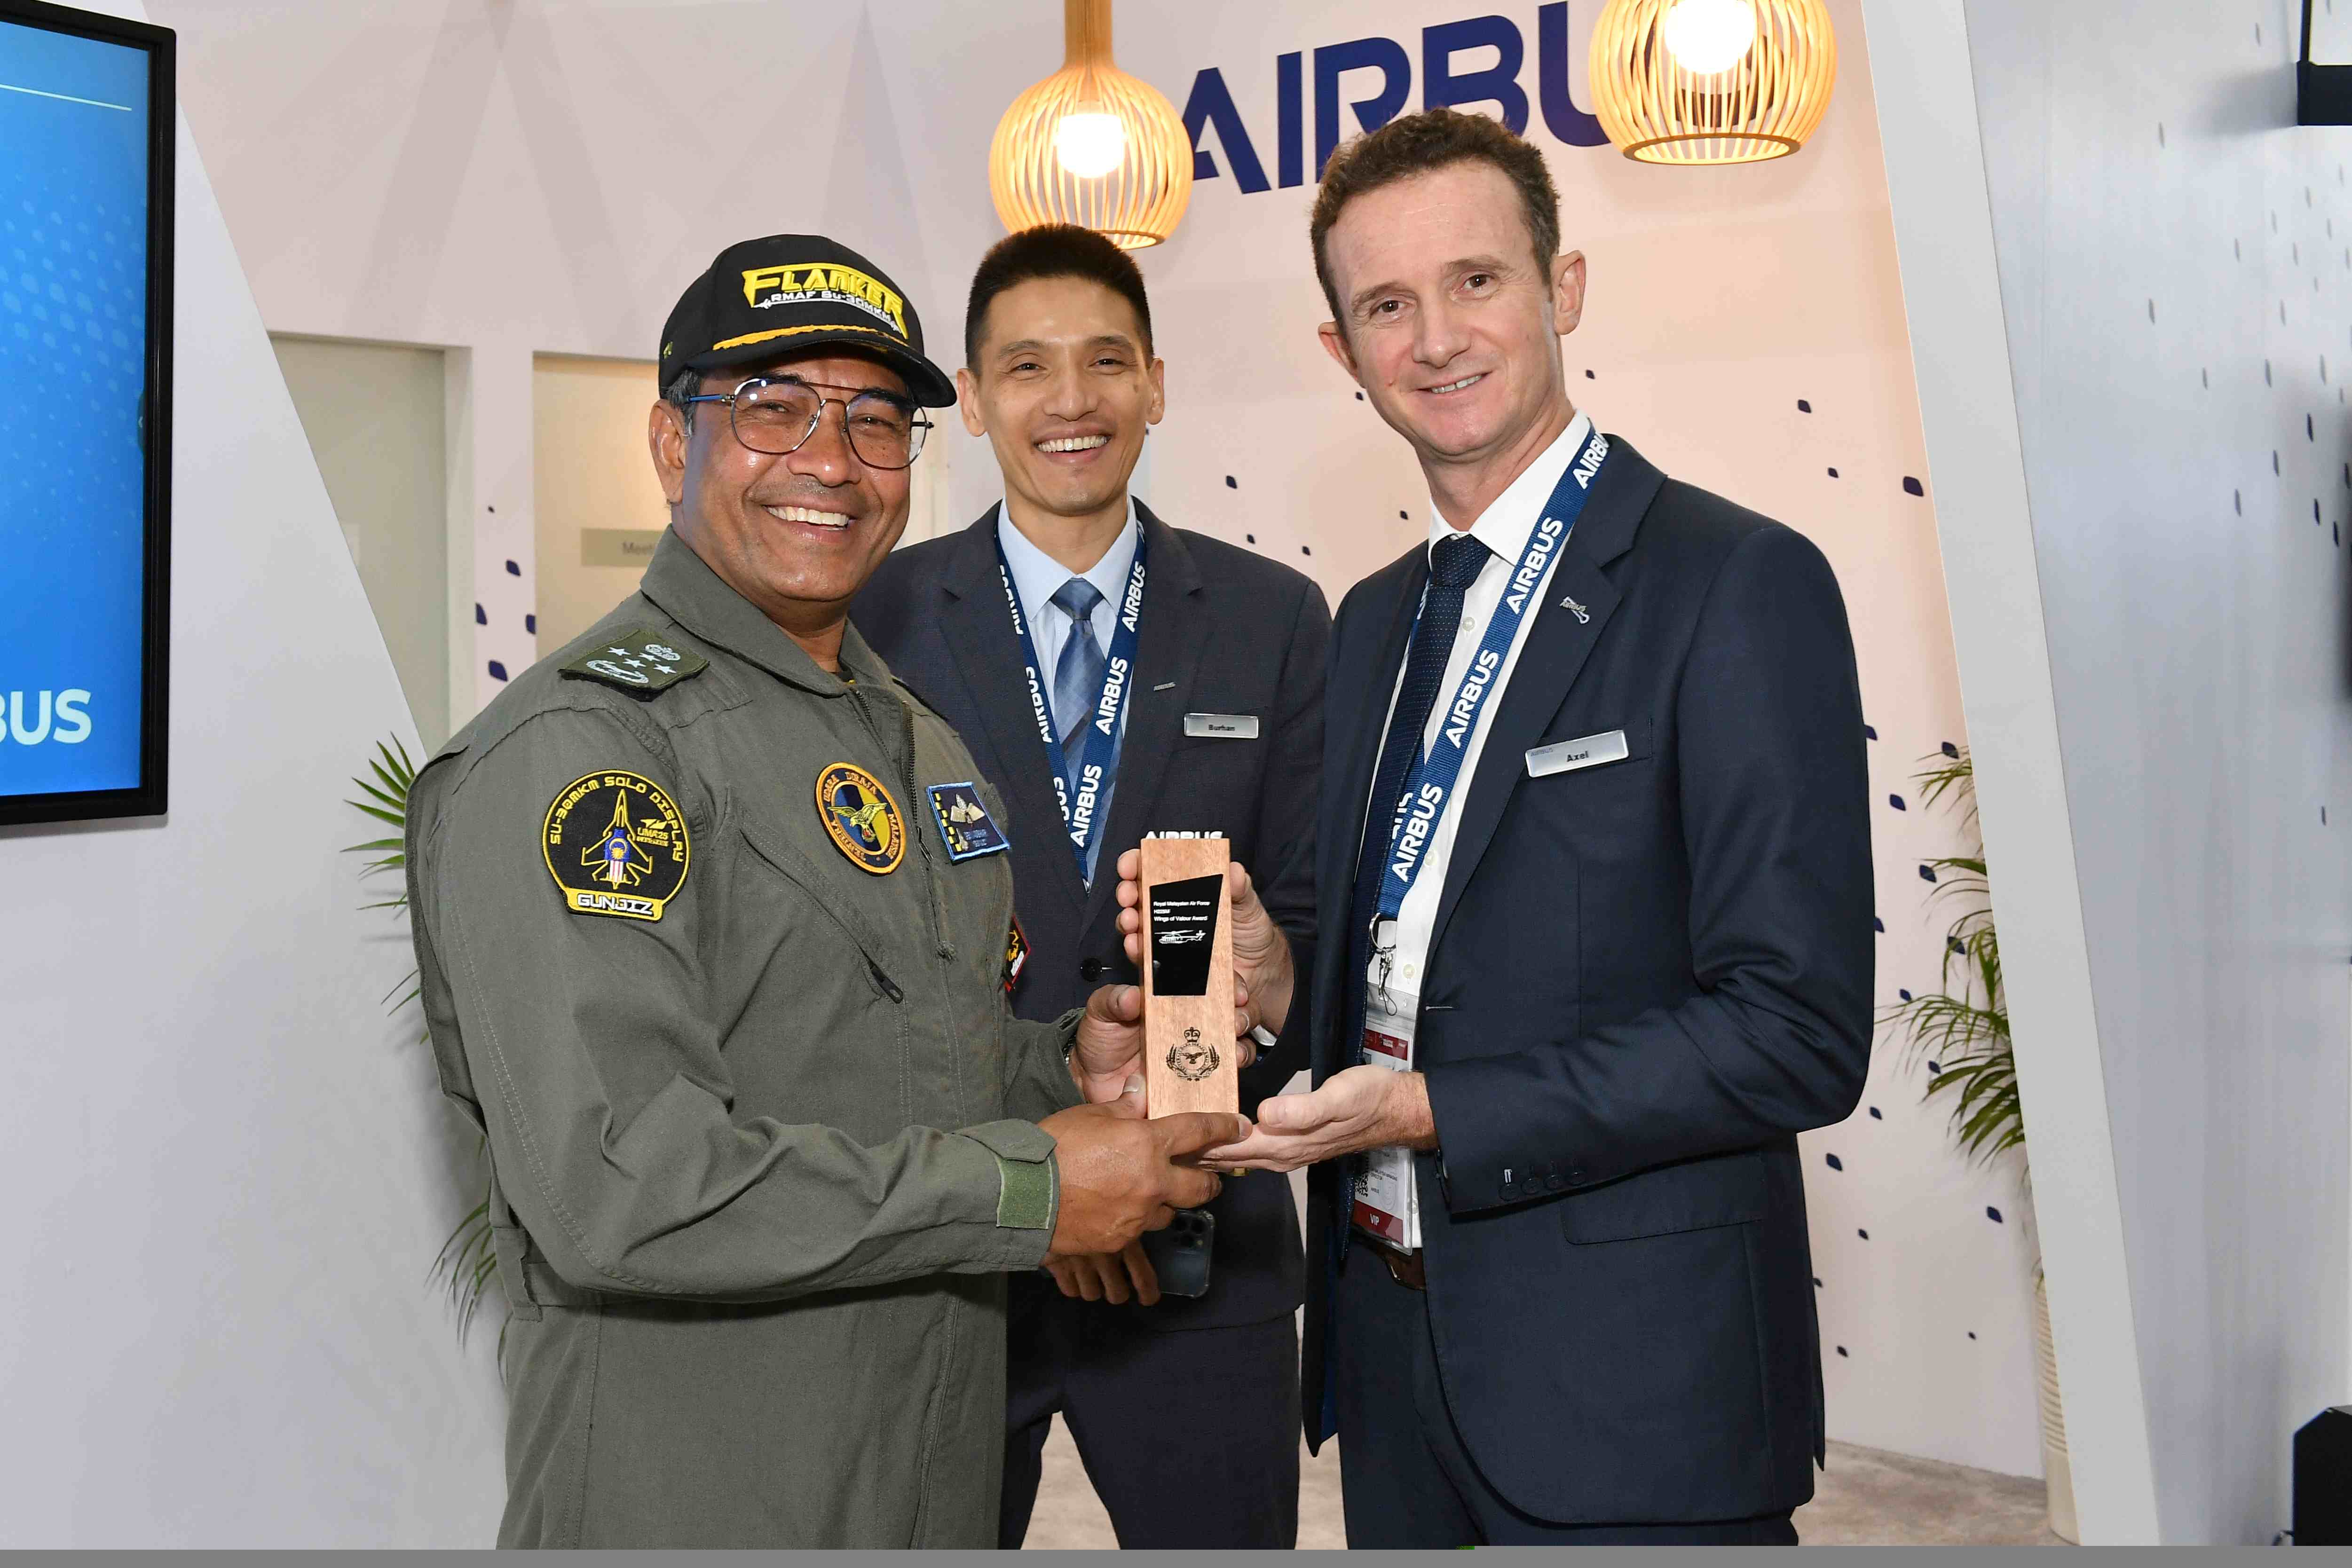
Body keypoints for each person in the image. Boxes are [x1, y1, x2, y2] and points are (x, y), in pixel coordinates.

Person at [403, 233, 1245, 1549]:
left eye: (871, 421)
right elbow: (621, 1182)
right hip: (700, 1489)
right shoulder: (587, 752)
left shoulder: (908, 737)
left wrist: (1056, 1073)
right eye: (772, 409)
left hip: (925, 1464)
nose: (829, 463)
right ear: (673, 444)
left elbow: (883, 1061)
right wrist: (1026, 1186)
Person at [1161, 109, 1874, 1545]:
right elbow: (1416, 963)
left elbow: (1794, 1026)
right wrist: (1281, 980)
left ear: (1562, 289)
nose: (1434, 338)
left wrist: (1432, 1112)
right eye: (1385, 305)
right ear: (1339, 354)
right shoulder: (1370, 621)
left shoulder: (1731, 582)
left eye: (1475, 281)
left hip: (1634, 1391)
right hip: (1392, 1357)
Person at [853, 223, 1328, 1549]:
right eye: (1026, 368)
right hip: (957, 1255)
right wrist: (1046, 1176)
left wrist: (1149, 1150)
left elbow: (1300, 925)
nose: (1071, 402)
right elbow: (863, 959)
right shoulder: (874, 623)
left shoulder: (1270, 619)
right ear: (975, 396)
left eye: (1105, 363)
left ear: (1157, 384)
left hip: (1203, 1250)